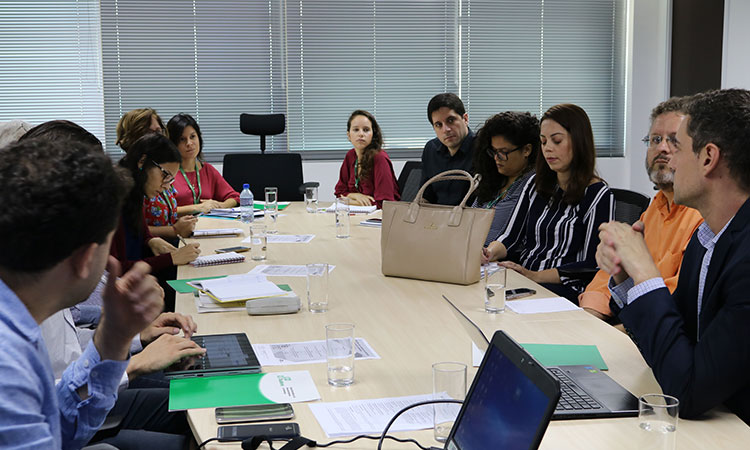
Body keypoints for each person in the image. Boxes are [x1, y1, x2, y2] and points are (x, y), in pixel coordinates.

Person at [597, 89, 750, 423]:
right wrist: (626, 276)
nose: (666, 158)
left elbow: (688, 392)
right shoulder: (707, 237)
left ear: (708, 158)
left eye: (677, 146)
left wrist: (646, 274)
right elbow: (672, 345)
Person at [0, 136, 164, 448]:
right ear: (87, 258)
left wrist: (113, 339)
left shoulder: (20, 322)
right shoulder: (6, 367)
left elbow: (58, 428)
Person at [579, 98, 703, 321]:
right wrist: (589, 318)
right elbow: (612, 271)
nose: (662, 148)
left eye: (674, 140)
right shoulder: (654, 208)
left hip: (656, 333)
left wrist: (607, 333)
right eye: (655, 139)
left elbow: (676, 306)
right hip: (629, 322)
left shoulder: (702, 215)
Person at [482, 104, 614, 300]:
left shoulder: (598, 194)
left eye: (557, 140)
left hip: (563, 288)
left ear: (579, 142)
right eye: (543, 142)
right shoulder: (534, 185)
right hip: (524, 278)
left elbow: (591, 264)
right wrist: (488, 253)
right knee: (480, 293)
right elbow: (510, 236)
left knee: (499, 304)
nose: (548, 148)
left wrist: (535, 276)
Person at [111, 133, 201, 314]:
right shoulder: (115, 199)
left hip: (141, 278)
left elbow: (141, 234)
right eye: (165, 175)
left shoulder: (134, 193)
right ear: (142, 162)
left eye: (171, 179)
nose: (167, 186)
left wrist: (151, 240)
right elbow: (117, 268)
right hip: (124, 292)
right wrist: (171, 258)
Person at [117, 108, 198, 241]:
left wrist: (179, 222)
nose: (157, 137)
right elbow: (132, 229)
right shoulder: (130, 180)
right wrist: (174, 230)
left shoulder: (161, 168)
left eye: (159, 131)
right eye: (150, 132)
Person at [471, 112, 538, 246]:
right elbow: (470, 219)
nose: (496, 158)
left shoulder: (534, 184)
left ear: (526, 150)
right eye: (494, 151)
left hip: (499, 259)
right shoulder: (493, 179)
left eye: (503, 152)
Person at [168, 113, 240, 214]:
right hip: (179, 228)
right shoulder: (167, 173)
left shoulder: (207, 170)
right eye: (182, 139)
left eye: (192, 136)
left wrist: (221, 206)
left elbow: (234, 197)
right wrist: (198, 207)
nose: (189, 143)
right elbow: (165, 211)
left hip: (208, 226)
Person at [334, 110, 400, 208]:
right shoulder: (350, 156)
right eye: (356, 130)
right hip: (358, 214)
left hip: (380, 217)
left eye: (366, 130)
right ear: (349, 135)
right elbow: (339, 192)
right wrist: (355, 195)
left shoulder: (380, 158)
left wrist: (350, 201)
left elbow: (384, 203)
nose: (361, 134)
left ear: (373, 134)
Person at [420, 93, 475, 205]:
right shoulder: (431, 149)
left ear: (465, 119)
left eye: (451, 120)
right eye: (438, 125)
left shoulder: (482, 148)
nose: (446, 129)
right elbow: (426, 197)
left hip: (471, 218)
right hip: (437, 218)